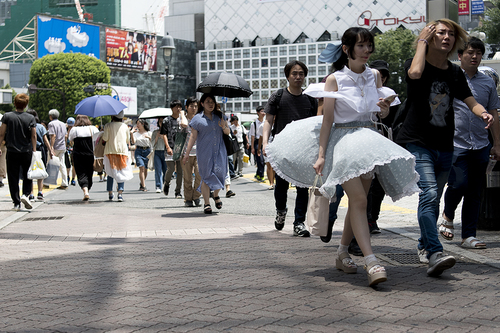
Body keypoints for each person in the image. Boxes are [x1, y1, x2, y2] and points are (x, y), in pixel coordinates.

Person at [265, 28, 420, 286]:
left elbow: (378, 115)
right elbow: (327, 121)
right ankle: (371, 260)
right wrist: (321, 154)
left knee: (359, 202)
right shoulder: (334, 79)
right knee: (359, 199)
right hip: (343, 141)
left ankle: (342, 252)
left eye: (369, 45)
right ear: (347, 49)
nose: (367, 50)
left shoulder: (374, 76)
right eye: (361, 46)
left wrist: (383, 111)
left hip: (369, 140)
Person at [396, 19, 494, 275]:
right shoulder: (415, 63)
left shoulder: (453, 72)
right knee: (428, 194)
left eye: (451, 33)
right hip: (417, 142)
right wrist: (421, 42)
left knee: (434, 198)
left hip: (445, 145)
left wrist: (483, 113)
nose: (447, 37)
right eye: (441, 32)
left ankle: (423, 243)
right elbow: (415, 74)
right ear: (430, 35)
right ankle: (434, 251)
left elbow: (469, 99)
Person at [439, 38, 500, 249]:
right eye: (470, 52)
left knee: (475, 191)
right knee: (458, 183)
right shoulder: (451, 79)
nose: (474, 57)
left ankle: (468, 236)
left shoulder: (488, 82)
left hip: (481, 145)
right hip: (456, 144)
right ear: (460, 56)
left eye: (478, 53)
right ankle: (447, 214)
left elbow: (493, 112)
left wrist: (497, 144)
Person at [262, 60, 318, 237]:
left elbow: (316, 124)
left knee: (303, 186)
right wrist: (265, 143)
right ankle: (281, 211)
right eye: (294, 73)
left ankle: (299, 223)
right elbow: (268, 120)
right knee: (281, 185)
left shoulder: (310, 98)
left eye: (301, 73)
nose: (298, 77)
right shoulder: (278, 96)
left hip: (304, 149)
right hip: (282, 148)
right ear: (288, 76)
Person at [182, 93, 230, 214]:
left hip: (220, 151)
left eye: (212, 101)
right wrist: (187, 153)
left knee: (221, 174)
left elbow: (227, 132)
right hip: (205, 153)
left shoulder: (220, 117)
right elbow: (192, 137)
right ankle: (207, 203)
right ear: (202, 104)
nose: (211, 104)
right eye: (208, 101)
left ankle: (216, 194)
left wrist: (224, 127)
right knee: (206, 177)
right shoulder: (197, 119)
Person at [0, 93, 37, 211]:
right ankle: (26, 195)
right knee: (28, 175)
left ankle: (16, 202)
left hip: (12, 151)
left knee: (13, 177)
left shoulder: (7, 116)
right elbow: (34, 135)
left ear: (15, 103)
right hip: (26, 151)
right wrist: (34, 150)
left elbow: (1, 133)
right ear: (26, 105)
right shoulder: (30, 118)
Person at [102, 111, 132, 202]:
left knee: (110, 173)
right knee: (121, 172)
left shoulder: (108, 125)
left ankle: (110, 193)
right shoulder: (125, 127)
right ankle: (120, 193)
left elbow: (105, 138)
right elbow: (127, 140)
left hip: (110, 152)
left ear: (112, 116)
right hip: (122, 152)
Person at [68, 115, 99, 201]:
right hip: (90, 154)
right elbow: (98, 139)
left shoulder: (74, 129)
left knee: (81, 173)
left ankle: (85, 192)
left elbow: (70, 140)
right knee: (89, 173)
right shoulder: (92, 128)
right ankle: (87, 191)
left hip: (78, 154)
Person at [161, 100, 187, 198]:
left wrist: (182, 116)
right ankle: (167, 183)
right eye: (176, 107)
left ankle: (178, 191)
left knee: (180, 171)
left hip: (180, 147)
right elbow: (164, 134)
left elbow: (186, 129)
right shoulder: (166, 120)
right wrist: (167, 147)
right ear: (172, 108)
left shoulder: (182, 120)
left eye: (180, 107)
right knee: (171, 168)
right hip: (170, 147)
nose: (178, 109)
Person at [27, 109, 53, 201]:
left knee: (30, 170)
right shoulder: (40, 127)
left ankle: (30, 193)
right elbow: (45, 140)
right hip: (40, 150)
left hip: (28, 150)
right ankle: (40, 192)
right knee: (40, 168)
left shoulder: (26, 126)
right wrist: (50, 150)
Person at [181, 96, 202, 207]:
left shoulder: (199, 119)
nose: (194, 108)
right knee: (188, 177)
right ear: (186, 107)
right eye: (191, 106)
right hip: (185, 153)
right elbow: (184, 124)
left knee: (200, 175)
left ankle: (196, 196)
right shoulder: (183, 119)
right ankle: (188, 199)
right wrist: (182, 114)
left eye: (195, 106)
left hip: (199, 152)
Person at [48, 109, 68, 189]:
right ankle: (64, 182)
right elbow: (66, 136)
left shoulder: (51, 124)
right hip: (62, 147)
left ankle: (47, 182)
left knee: (49, 164)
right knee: (62, 165)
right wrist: (65, 145)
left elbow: (53, 136)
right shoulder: (63, 124)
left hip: (55, 147)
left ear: (50, 116)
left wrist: (51, 147)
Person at [131, 118, 152, 191]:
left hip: (147, 151)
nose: (137, 125)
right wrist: (131, 133)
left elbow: (153, 142)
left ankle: (142, 183)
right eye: (136, 124)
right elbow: (133, 142)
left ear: (142, 124)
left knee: (145, 169)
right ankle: (143, 186)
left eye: (138, 124)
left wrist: (149, 137)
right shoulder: (135, 134)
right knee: (141, 168)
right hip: (139, 151)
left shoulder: (149, 133)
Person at [249, 106, 266, 182]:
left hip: (265, 141)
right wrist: (252, 147)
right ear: (258, 113)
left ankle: (258, 173)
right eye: (262, 111)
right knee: (260, 160)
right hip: (257, 142)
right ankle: (261, 176)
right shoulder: (254, 124)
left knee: (264, 160)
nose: (263, 113)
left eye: (264, 111)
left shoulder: (266, 122)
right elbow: (252, 136)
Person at [151, 117, 167, 193]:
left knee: (165, 170)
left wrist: (163, 137)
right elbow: (152, 144)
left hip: (165, 152)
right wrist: (157, 136)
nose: (161, 123)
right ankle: (158, 185)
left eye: (163, 121)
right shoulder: (155, 132)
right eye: (160, 121)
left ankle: (165, 184)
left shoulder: (167, 132)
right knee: (158, 170)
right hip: (157, 152)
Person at [66, 117, 76, 186]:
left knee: (73, 165)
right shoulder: (65, 130)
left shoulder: (75, 131)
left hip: (73, 149)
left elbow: (73, 142)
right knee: (67, 165)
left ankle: (73, 178)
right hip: (67, 149)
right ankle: (67, 177)